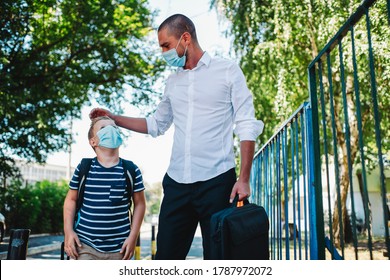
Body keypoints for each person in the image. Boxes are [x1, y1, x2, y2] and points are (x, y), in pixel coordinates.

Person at [89, 14, 263, 260]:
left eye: (166, 45)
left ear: (185, 38)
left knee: (219, 258)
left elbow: (246, 123)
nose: (163, 53)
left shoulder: (227, 70)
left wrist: (244, 178)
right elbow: (156, 124)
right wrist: (113, 117)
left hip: (217, 182)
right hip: (177, 183)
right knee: (166, 259)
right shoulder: (172, 82)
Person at [63, 116, 146, 260]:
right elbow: (71, 200)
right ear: (93, 141)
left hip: (120, 249)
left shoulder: (131, 170)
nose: (111, 130)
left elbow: (140, 204)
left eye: (114, 127)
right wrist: (68, 231)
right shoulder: (84, 168)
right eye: (103, 128)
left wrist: (133, 237)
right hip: (84, 246)